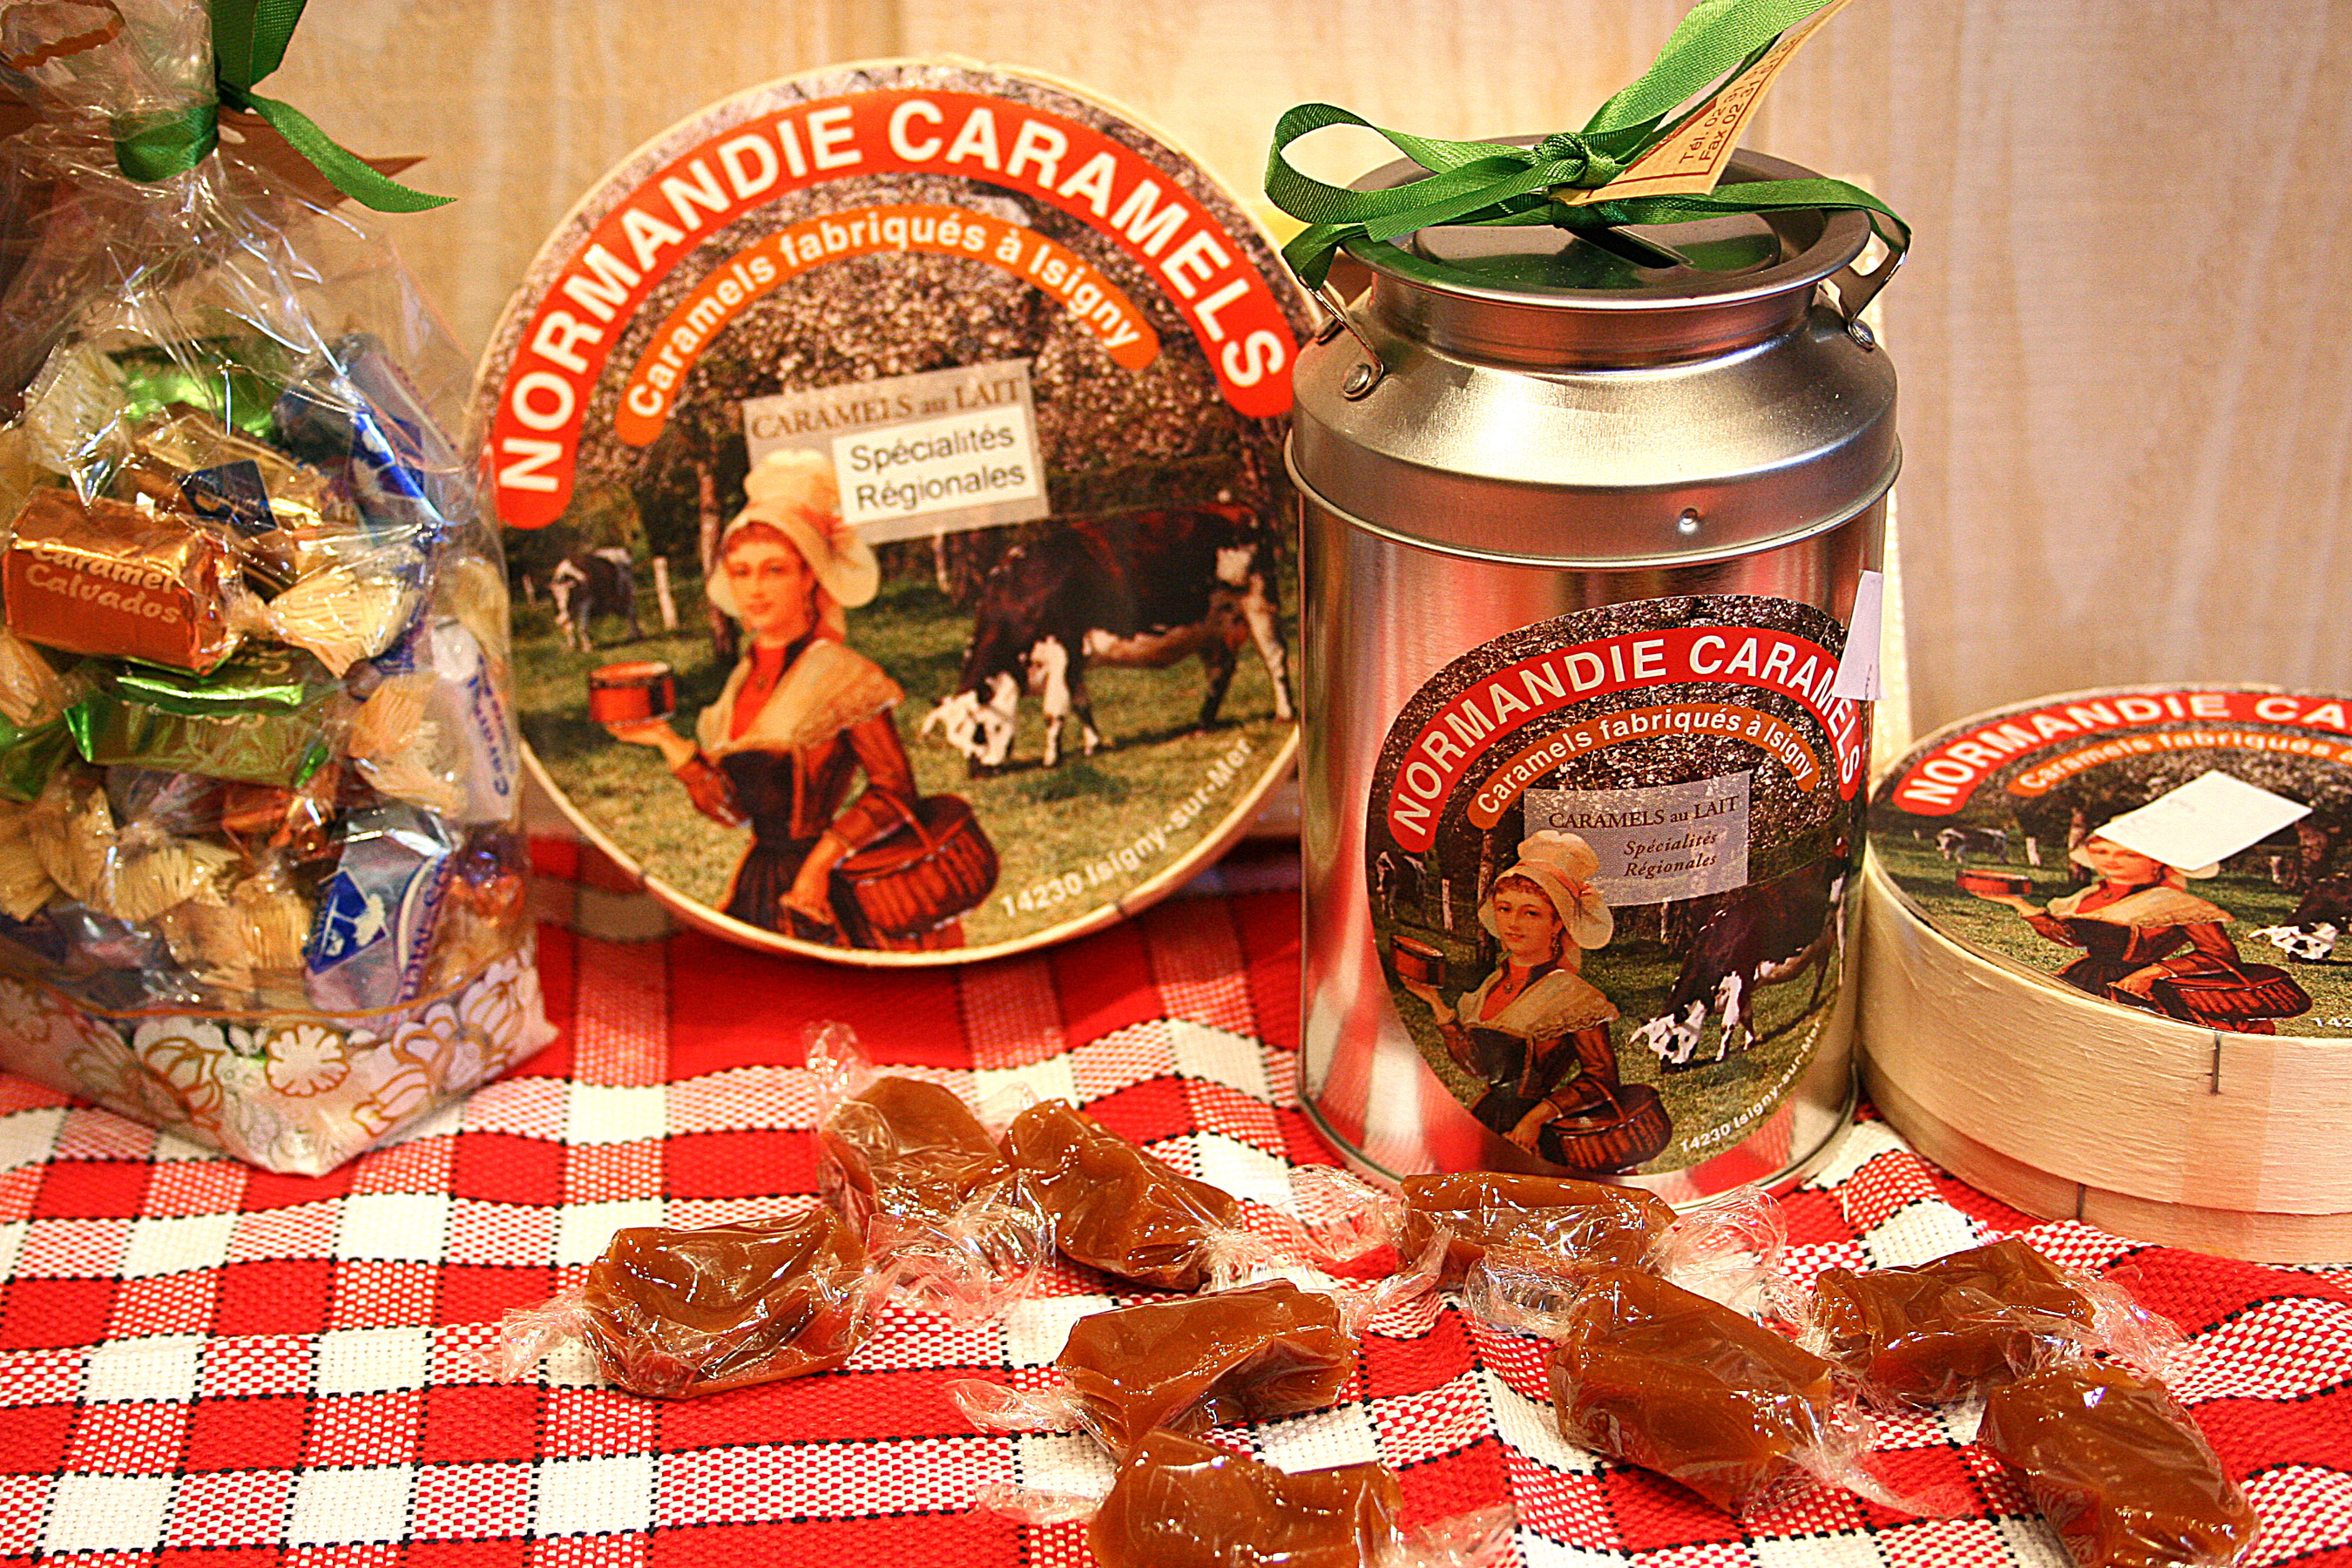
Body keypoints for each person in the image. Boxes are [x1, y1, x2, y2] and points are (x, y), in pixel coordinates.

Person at [606, 449, 918, 943]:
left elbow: (895, 789)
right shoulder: (739, 681)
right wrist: (666, 741)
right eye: (741, 572)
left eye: (775, 570)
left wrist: (820, 864)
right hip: (757, 883)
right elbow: (733, 812)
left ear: (810, 575)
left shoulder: (843, 674)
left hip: (820, 893)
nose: (755, 589)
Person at [1396, 831, 1628, 1154]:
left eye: (1531, 913)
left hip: (1537, 1138)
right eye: (1504, 908)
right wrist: (1434, 1002)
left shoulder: (1572, 995)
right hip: (1487, 1119)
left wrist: (1535, 1119)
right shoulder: (1490, 985)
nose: (1513, 924)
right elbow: (1479, 1068)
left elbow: (1601, 1079)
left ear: (1557, 924)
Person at [1970, 828, 2305, 1034]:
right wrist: (2017, 903)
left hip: (2138, 989)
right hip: (2087, 975)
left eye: (2128, 854)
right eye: (2101, 852)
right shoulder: (2088, 896)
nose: (2111, 861)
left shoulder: (2177, 903)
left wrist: (2153, 972)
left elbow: (2220, 954)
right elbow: (2071, 937)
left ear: (2158, 860)